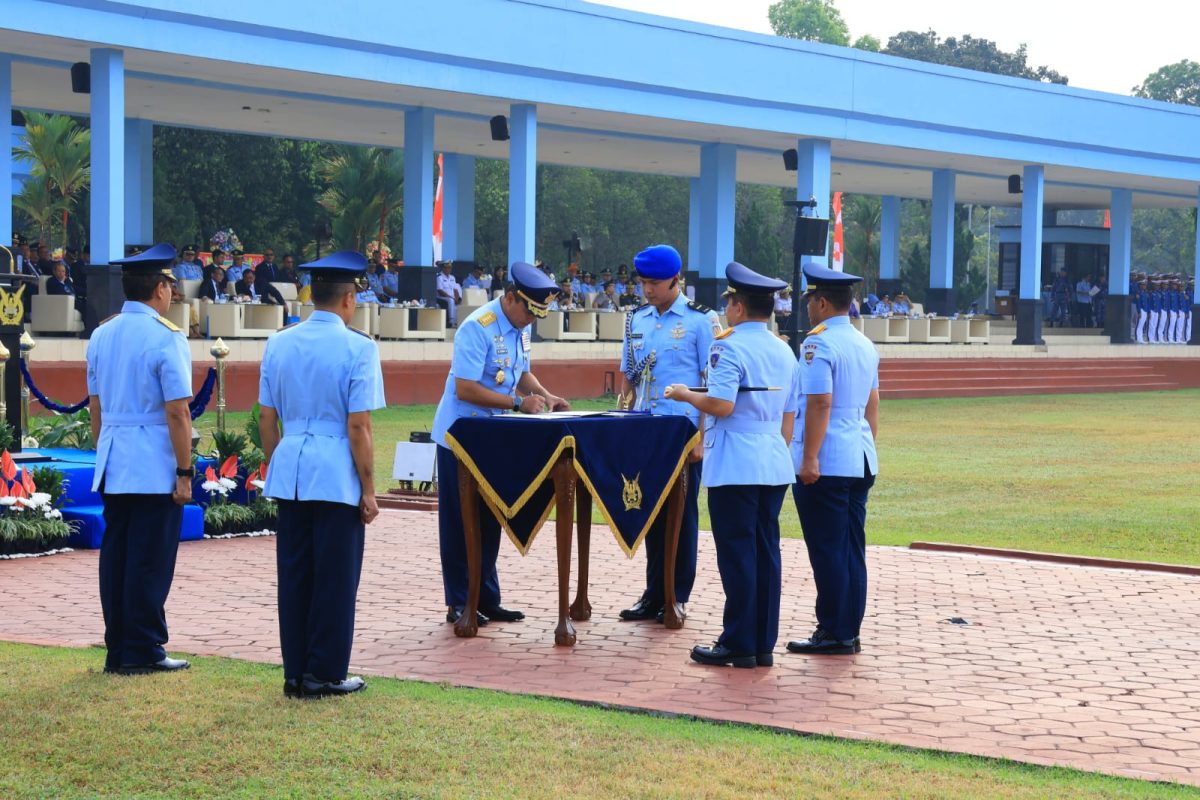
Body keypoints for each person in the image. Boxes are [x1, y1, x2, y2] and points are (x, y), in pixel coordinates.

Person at [664, 261, 796, 668]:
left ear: (737, 307)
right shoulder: (783, 348)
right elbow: (790, 415)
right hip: (772, 458)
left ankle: (738, 641)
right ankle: (761, 642)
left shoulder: (728, 345)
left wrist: (686, 395)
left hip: (737, 461)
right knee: (764, 552)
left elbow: (722, 403)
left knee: (738, 554)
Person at [431, 262, 569, 627]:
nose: (531, 320)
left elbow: (521, 372)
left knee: (491, 519)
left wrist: (545, 394)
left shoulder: (519, 329)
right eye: (529, 311)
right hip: (462, 437)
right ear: (510, 298)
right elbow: (466, 387)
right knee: (461, 523)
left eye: (538, 314)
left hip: (492, 437)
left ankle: (486, 598)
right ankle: (460, 602)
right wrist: (517, 404)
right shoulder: (477, 328)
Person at [86, 243, 194, 676]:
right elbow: (177, 411)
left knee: (117, 557)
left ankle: (119, 646)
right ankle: (144, 647)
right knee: (150, 559)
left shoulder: (101, 334)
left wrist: (104, 452)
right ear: (160, 288)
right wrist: (184, 471)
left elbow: (95, 405)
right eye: (168, 283)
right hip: (152, 462)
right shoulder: (167, 337)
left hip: (114, 457)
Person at [617, 244, 721, 624]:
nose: (648, 290)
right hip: (644, 427)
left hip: (682, 430)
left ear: (676, 281)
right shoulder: (636, 320)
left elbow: (711, 383)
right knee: (649, 511)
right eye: (643, 282)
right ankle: (652, 593)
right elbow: (628, 376)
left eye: (655, 283)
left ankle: (676, 594)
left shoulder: (701, 321)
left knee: (682, 514)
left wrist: (700, 435)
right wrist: (622, 415)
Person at [787, 264, 880, 656]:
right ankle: (846, 628)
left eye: (811, 301)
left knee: (828, 549)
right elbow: (873, 404)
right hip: (858, 455)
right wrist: (866, 445)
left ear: (822, 302)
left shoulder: (817, 344)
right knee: (851, 548)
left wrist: (809, 458)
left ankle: (834, 631)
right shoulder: (864, 343)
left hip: (827, 460)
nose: (808, 309)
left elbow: (820, 402)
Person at [436, 261, 462, 326]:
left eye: (450, 267)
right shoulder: (439, 277)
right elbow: (440, 291)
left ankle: (457, 321)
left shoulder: (452, 277)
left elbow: (455, 289)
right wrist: (451, 297)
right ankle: (451, 321)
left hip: (452, 296)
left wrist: (457, 298)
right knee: (451, 300)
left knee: (459, 301)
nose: (449, 269)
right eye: (447, 267)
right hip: (441, 297)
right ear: (443, 268)